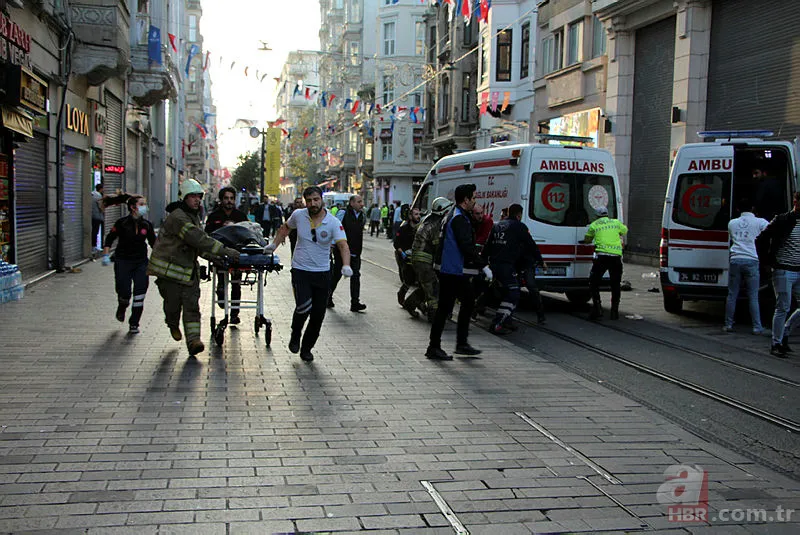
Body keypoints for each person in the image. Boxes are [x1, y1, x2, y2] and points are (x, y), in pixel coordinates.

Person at [148, 179, 240, 357]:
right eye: (193, 197)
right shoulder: (178, 217)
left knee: (192, 307)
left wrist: (216, 258)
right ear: (184, 198)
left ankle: (193, 341)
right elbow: (197, 238)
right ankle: (172, 324)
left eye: (199, 196)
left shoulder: (193, 216)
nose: (197, 200)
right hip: (171, 273)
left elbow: (197, 247)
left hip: (188, 273)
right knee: (172, 307)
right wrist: (225, 251)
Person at [266, 186, 352, 362]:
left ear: (321, 200)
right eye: (309, 201)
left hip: (322, 273)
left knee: (318, 315)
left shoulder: (333, 222)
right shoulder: (299, 215)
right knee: (303, 306)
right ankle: (295, 333)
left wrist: (346, 265)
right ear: (305, 201)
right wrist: (273, 245)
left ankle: (307, 348)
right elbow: (285, 228)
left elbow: (343, 245)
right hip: (300, 270)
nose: (313, 204)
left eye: (316, 200)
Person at [426, 184, 489, 360]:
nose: (475, 201)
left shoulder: (456, 214)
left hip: (453, 269)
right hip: (451, 269)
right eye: (473, 198)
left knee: (467, 301)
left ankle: (461, 343)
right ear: (466, 200)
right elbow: (466, 246)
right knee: (446, 307)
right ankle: (434, 347)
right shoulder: (459, 218)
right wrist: (483, 265)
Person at [482, 203, 540, 334]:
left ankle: (506, 320)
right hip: (506, 266)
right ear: (519, 215)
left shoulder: (497, 225)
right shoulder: (519, 227)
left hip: (493, 264)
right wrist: (540, 260)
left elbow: (487, 246)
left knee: (495, 290)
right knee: (513, 293)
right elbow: (531, 245)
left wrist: (483, 263)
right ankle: (498, 322)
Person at [101, 195, 156, 334]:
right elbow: (110, 238)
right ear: (133, 207)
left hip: (141, 262)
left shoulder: (147, 225)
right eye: (142, 204)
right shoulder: (122, 223)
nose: (145, 207)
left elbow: (154, 244)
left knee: (140, 293)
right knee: (124, 292)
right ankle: (122, 306)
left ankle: (134, 323)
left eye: (145, 204)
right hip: (123, 261)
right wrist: (106, 255)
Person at [761, 191, 800, 357]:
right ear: (795, 201)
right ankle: (776, 343)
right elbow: (762, 238)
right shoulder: (783, 220)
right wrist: (767, 261)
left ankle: (785, 332)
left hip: (798, 270)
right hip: (783, 268)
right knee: (782, 306)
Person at [723, 198, 769, 335]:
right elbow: (772, 228)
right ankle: (757, 327)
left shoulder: (732, 223)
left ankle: (728, 324)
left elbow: (732, 237)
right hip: (752, 260)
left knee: (732, 294)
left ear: (738, 209)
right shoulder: (760, 222)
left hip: (735, 259)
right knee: (753, 295)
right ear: (753, 208)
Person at [204, 186, 249, 325]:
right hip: (220, 254)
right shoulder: (214, 216)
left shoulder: (240, 216)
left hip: (237, 254)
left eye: (231, 198)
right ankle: (221, 295)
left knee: (236, 284)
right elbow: (207, 235)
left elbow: (248, 234)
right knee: (222, 280)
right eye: (226, 198)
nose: (229, 201)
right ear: (221, 199)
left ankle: (234, 313)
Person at [405, 197, 453, 321]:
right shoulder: (437, 225)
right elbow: (437, 245)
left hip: (418, 259)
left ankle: (410, 303)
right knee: (433, 287)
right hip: (424, 260)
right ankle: (433, 314)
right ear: (443, 211)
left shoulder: (427, 220)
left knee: (426, 285)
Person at [581, 205, 628, 320]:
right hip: (616, 258)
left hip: (602, 258)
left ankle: (597, 308)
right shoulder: (616, 223)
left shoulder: (594, 225)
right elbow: (625, 230)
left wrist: (587, 240)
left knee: (593, 282)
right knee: (615, 284)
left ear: (596, 216)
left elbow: (587, 239)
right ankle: (614, 312)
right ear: (607, 214)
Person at [329, 194, 367, 311]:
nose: (362, 204)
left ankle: (355, 303)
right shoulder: (342, 213)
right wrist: (331, 244)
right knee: (337, 274)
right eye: (359, 202)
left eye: (362, 201)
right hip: (341, 250)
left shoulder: (362, 215)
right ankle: (327, 297)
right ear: (351, 203)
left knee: (356, 276)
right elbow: (335, 228)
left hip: (356, 251)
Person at [393, 205, 420, 307]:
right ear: (410, 216)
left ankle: (417, 302)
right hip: (406, 258)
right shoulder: (403, 229)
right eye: (416, 214)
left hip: (417, 257)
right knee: (409, 279)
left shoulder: (420, 228)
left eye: (419, 214)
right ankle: (401, 295)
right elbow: (396, 243)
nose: (418, 216)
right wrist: (402, 253)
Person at [91, 183, 105, 256]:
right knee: (95, 231)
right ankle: (94, 247)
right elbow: (100, 207)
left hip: (92, 216)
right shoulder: (99, 195)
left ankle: (93, 246)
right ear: (101, 189)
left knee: (93, 231)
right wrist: (103, 210)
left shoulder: (92, 194)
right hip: (97, 217)